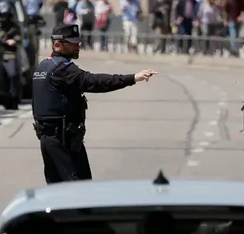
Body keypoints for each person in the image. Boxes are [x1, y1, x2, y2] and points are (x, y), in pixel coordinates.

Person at [32, 24, 158, 184]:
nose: (78, 46)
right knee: (80, 190)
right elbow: (94, 82)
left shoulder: (43, 67)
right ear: (58, 45)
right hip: (63, 141)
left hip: (49, 139)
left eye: (78, 42)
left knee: (57, 190)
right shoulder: (63, 70)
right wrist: (132, 78)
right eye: (73, 44)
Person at [0, 1, 23, 110]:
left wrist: (13, 41)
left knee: (12, 74)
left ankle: (13, 97)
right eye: (2, 15)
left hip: (9, 54)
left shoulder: (14, 26)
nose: (4, 18)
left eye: (6, 16)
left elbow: (19, 37)